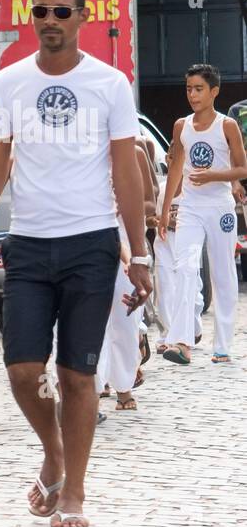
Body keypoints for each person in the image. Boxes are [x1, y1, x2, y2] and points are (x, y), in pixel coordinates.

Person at [0, 0, 151, 527]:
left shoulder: (109, 84)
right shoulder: (9, 82)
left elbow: (126, 173)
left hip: (91, 242)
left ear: (83, 17)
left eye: (63, 12)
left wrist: (140, 254)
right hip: (29, 245)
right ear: (29, 17)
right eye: (41, 12)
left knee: (77, 375)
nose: (51, 22)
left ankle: (75, 490)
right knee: (21, 371)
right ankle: (54, 454)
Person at [159, 63, 247, 365]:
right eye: (188, 89)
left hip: (220, 208)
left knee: (223, 274)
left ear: (214, 91)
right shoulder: (181, 126)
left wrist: (214, 176)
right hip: (190, 208)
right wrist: (164, 209)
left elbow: (242, 168)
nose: (192, 95)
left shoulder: (227, 126)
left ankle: (222, 345)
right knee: (184, 268)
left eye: (198, 89)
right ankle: (181, 341)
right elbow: (174, 170)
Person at [95, 142, 158, 410]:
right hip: (93, 239)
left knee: (124, 316)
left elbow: (150, 200)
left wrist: (128, 204)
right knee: (93, 317)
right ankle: (96, 385)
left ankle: (124, 385)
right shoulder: (85, 151)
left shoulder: (135, 153)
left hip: (127, 240)